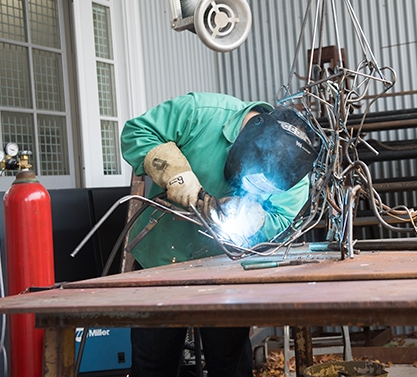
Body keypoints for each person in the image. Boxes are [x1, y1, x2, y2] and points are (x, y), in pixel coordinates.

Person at [120, 92, 319, 377]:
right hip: (160, 261)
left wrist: (256, 218)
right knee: (152, 364)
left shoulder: (295, 177)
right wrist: (177, 176)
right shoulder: (201, 113)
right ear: (247, 142)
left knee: (230, 365)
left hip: (227, 271)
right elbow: (137, 131)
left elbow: (283, 216)